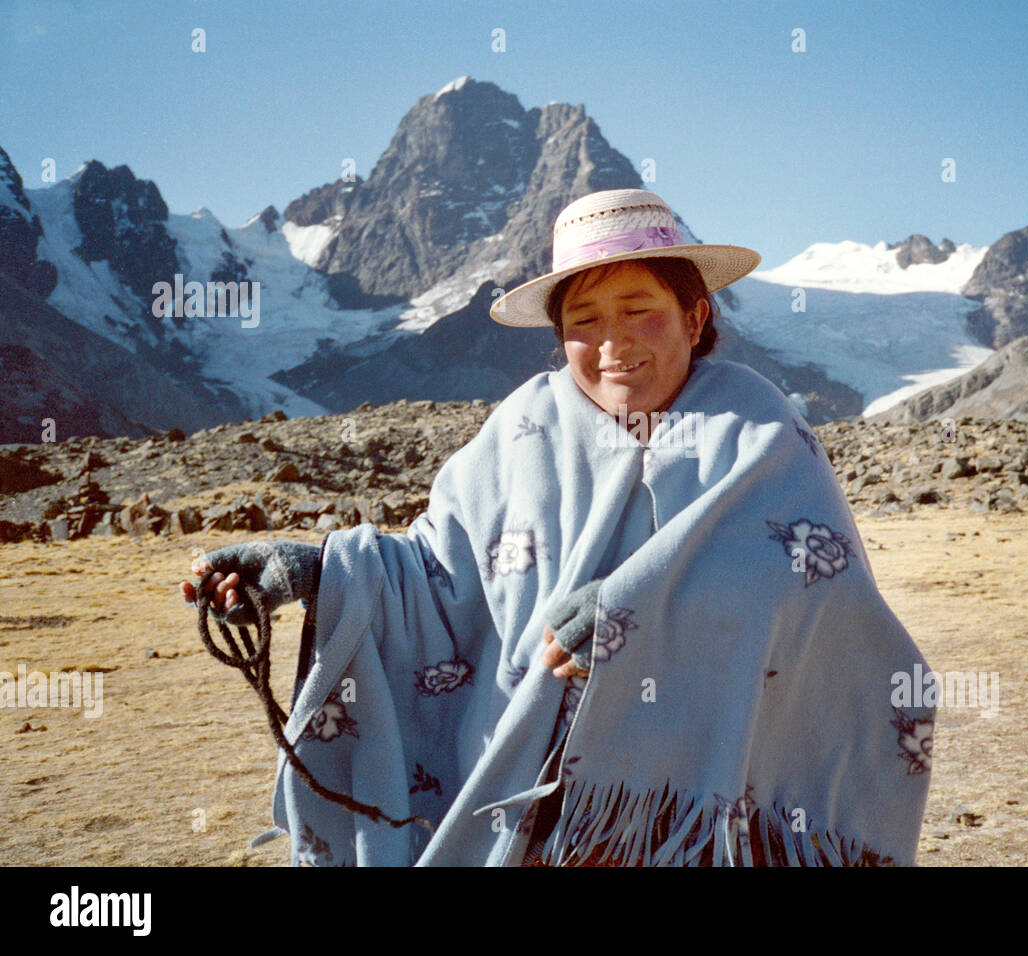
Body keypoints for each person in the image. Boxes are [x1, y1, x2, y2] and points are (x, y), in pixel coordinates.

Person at [180, 188, 934, 866]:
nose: (614, 343)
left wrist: (637, 613)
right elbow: (439, 575)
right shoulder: (522, 431)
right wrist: (315, 573)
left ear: (695, 316)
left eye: (641, 309)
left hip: (687, 814)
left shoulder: (758, 429)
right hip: (535, 810)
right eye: (584, 320)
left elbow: (815, 595)